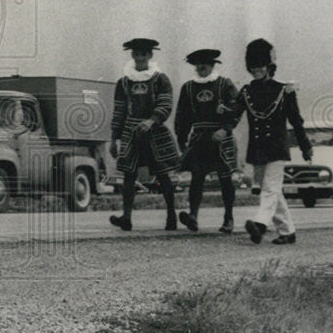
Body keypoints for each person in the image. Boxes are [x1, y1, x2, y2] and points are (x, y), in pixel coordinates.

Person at [229, 38, 311, 245]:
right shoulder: (246, 91)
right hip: (257, 149)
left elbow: (297, 122)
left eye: (260, 67)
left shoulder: (284, 91)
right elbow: (234, 116)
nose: (256, 71)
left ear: (269, 67)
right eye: (253, 68)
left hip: (277, 148)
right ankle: (287, 231)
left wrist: (305, 147)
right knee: (272, 191)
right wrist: (223, 121)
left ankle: (260, 224)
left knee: (269, 189)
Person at [109, 38, 181, 231]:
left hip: (154, 131)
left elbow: (165, 104)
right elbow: (119, 111)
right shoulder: (123, 82)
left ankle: (171, 216)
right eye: (136, 54)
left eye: (143, 54)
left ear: (150, 55)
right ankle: (126, 218)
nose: (139, 57)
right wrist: (114, 139)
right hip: (131, 133)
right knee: (128, 175)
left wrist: (151, 121)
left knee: (162, 174)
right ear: (132, 55)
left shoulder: (160, 79)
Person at [174, 49, 239, 233]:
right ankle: (193, 217)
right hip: (199, 137)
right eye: (198, 64)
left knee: (225, 178)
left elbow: (238, 107)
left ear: (213, 65)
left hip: (220, 137)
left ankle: (229, 219)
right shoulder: (188, 87)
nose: (201, 67)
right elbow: (182, 115)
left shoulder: (225, 84)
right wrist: (181, 138)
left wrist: (226, 128)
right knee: (197, 177)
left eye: (205, 63)